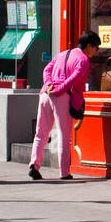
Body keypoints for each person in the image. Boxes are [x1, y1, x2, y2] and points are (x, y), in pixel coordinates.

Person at [29, 30, 100, 181]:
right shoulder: (84, 60)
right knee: (64, 136)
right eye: (96, 47)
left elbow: (46, 69)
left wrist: (49, 85)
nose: (96, 51)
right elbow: (74, 79)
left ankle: (34, 165)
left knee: (41, 133)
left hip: (45, 95)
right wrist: (58, 89)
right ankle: (64, 172)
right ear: (89, 46)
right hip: (61, 97)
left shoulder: (62, 54)